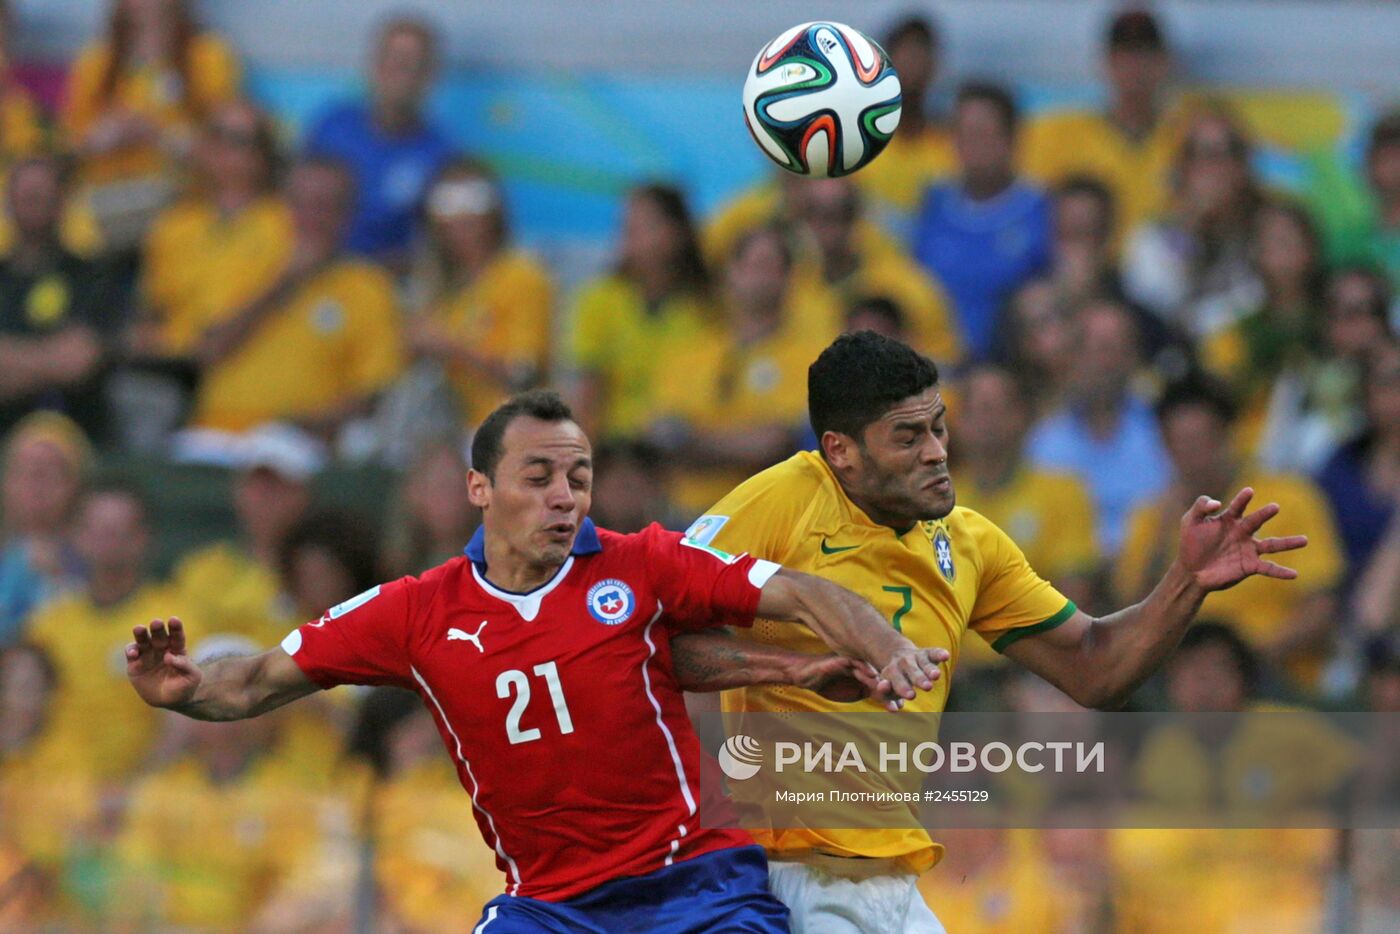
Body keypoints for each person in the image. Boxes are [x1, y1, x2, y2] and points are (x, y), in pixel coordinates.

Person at [127, 389, 950, 931]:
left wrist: (889, 648)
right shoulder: (415, 612)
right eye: (540, 476)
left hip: (695, 889)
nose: (565, 496)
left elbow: (801, 592)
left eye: (579, 477)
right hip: (551, 908)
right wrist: (187, 690)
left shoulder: (641, 564)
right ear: (480, 489)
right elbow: (257, 680)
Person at [681, 330, 1308, 932]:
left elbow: (1096, 667)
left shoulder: (970, 543)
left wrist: (1184, 581)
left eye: (938, 425)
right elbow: (660, 634)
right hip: (792, 870)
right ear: (841, 449)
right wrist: (788, 671)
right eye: (907, 436)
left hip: (890, 876)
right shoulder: (781, 502)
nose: (935, 450)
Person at [1113, 379, 1343, 691]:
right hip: (1180, 682)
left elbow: (1321, 610)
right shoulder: (1150, 518)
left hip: (1271, 673)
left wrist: (1242, 666)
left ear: (1226, 435)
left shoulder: (1289, 499)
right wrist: (1163, 532)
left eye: (1199, 440)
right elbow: (1133, 618)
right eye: (1177, 442)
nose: (1190, 454)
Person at [185, 157, 405, 440]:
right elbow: (209, 351)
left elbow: (372, 392)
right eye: (302, 204)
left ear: (347, 215)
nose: (312, 217)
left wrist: (297, 426)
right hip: (217, 431)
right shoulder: (242, 259)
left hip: (304, 441)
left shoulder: (369, 287)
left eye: (326, 206)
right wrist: (284, 282)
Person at [29, 480, 179, 782]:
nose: (108, 540)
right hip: (52, 794)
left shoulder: (172, 622)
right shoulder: (48, 623)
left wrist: (131, 792)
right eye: (97, 529)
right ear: (77, 536)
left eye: (119, 531)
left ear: (143, 538)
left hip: (141, 801)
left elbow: (183, 723)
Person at [952, 364, 1100, 667]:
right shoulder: (932, 503)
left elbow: (1073, 599)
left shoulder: (1064, 492)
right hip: (956, 672)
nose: (987, 421)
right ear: (958, 423)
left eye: (997, 407)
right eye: (977, 409)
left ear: (1022, 417)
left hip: (1038, 665)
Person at [61, 0, 242, 246]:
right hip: (104, 198)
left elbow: (226, 146)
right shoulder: (97, 61)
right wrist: (107, 135)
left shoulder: (207, 56)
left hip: (182, 200)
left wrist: (159, 136)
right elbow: (70, 146)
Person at [403, 159, 554, 427]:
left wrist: (449, 347)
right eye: (448, 204)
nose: (463, 216)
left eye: (473, 201)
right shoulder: (439, 287)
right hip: (448, 429)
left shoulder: (522, 277)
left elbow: (524, 376)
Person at [135, 99, 290, 358]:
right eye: (213, 134)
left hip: (248, 363)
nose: (218, 147)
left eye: (235, 139)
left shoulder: (286, 226)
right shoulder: (173, 225)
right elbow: (151, 311)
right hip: (172, 362)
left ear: (262, 157)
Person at [913, 82, 1052, 361]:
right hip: (935, 368)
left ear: (1011, 138)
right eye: (963, 134)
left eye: (983, 134)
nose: (972, 146)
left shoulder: (1042, 210)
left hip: (1012, 366)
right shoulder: (933, 204)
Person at [1021, 7, 1188, 238]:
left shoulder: (1188, 138)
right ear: (1105, 62)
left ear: (1164, 62)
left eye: (1145, 53)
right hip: (1085, 269)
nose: (1134, 65)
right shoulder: (1058, 134)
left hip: (1164, 270)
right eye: (1123, 54)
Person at [568, 184, 714, 439]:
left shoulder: (707, 306)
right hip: (618, 451)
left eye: (645, 226)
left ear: (678, 232)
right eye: (626, 226)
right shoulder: (599, 300)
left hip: (689, 447)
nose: (630, 236)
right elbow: (587, 396)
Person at [304, 16, 452, 265]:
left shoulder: (441, 154)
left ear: (431, 75)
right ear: (373, 65)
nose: (399, 73)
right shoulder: (332, 125)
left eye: (411, 64)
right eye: (392, 59)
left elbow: (433, 250)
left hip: (383, 282)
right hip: (312, 268)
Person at [1026, 300, 1170, 556]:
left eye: (1114, 349)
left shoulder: (1163, 431)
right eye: (1090, 349)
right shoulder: (1043, 443)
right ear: (1070, 357)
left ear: (1134, 356)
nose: (1103, 362)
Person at [1120, 106, 1263, 336]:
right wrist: (1189, 227)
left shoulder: (1268, 234)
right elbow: (1154, 311)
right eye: (1206, 155)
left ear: (1243, 168)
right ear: (1184, 169)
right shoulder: (1152, 238)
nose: (1217, 169)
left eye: (1230, 153)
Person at [172, 423, 317, 646]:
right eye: (254, 485)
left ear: (302, 495)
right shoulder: (200, 568)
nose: (263, 498)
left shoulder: (320, 572)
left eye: (276, 486)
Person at [0, 156, 113, 439]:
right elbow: (61, 360)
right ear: (8, 203)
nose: (32, 202)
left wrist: (10, 360)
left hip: (74, 433)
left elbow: (78, 361)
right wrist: (47, 358)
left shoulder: (91, 274)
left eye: (41, 196)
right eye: (25, 196)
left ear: (62, 202)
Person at [799, 177, 961, 363]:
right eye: (814, 213)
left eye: (841, 213)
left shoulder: (908, 286)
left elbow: (946, 359)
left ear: (858, 216)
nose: (827, 227)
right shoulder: (791, 288)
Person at [854, 15, 955, 231]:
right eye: (906, 57)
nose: (913, 68)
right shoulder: (854, 145)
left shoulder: (952, 146)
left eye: (921, 57)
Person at [0, 413, 89, 645]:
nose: (36, 480)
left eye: (52, 470)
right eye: (25, 469)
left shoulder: (95, 560)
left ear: (76, 485)